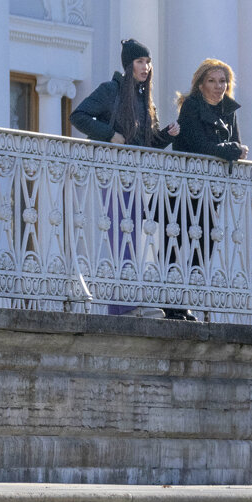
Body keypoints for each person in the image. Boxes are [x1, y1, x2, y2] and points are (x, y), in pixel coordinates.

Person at [70, 39, 181, 318]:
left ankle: (124, 305)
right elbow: (78, 115)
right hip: (113, 175)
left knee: (130, 237)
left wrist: (166, 135)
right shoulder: (111, 90)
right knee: (122, 237)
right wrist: (109, 134)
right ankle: (124, 305)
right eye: (140, 61)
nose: (146, 66)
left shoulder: (144, 100)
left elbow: (146, 143)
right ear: (128, 65)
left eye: (148, 61)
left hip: (136, 179)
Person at [168, 58, 248, 321]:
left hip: (212, 191)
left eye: (222, 81)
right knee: (177, 243)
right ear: (201, 84)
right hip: (185, 187)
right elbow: (200, 145)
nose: (218, 86)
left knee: (202, 247)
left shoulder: (229, 110)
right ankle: (171, 304)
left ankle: (187, 303)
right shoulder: (191, 106)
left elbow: (235, 144)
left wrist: (233, 151)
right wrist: (232, 151)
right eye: (212, 81)